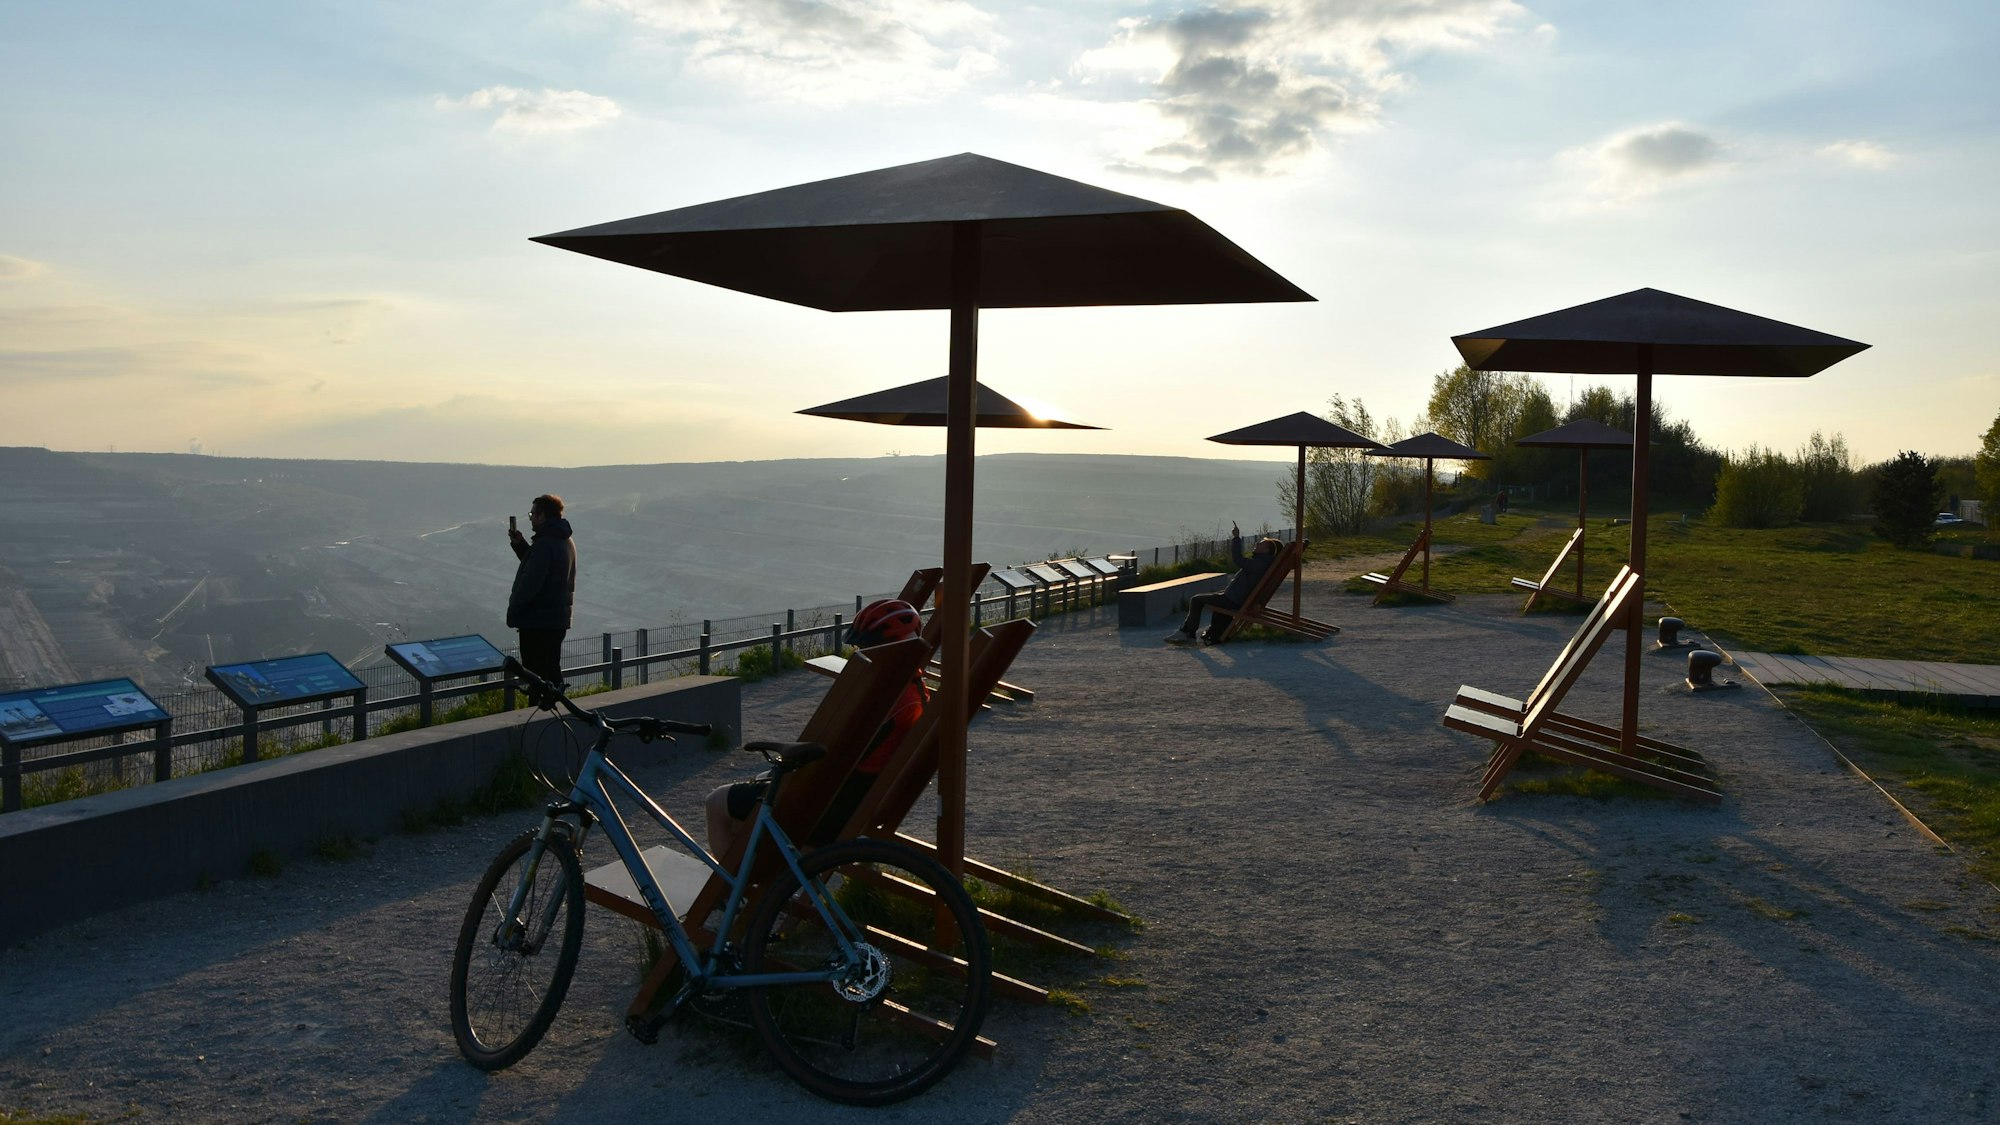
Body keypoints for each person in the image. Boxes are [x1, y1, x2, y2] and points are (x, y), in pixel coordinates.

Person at [705, 599, 930, 858]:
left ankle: (733, 895)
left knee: (718, 802)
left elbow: (836, 758)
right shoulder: (914, 693)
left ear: (887, 648)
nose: (861, 655)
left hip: (823, 814)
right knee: (745, 813)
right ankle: (763, 889)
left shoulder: (890, 703)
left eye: (866, 648)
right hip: (853, 807)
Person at [1166, 522, 1284, 645]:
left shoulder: (1259, 564)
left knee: (1196, 600)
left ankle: (1188, 633)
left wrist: (1236, 538)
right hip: (1236, 598)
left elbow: (1238, 559)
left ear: (1265, 550)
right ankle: (1188, 632)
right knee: (1206, 598)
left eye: (1260, 544)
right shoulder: (1262, 563)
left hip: (1233, 600)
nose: (1256, 544)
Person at [507, 493, 577, 687]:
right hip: (556, 620)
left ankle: (540, 715)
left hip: (538, 622)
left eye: (532, 514)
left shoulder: (545, 544)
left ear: (542, 516)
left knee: (536, 677)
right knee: (551, 671)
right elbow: (542, 567)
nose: (531, 519)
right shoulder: (564, 540)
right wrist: (520, 545)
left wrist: (514, 610)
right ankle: (558, 711)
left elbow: (532, 582)